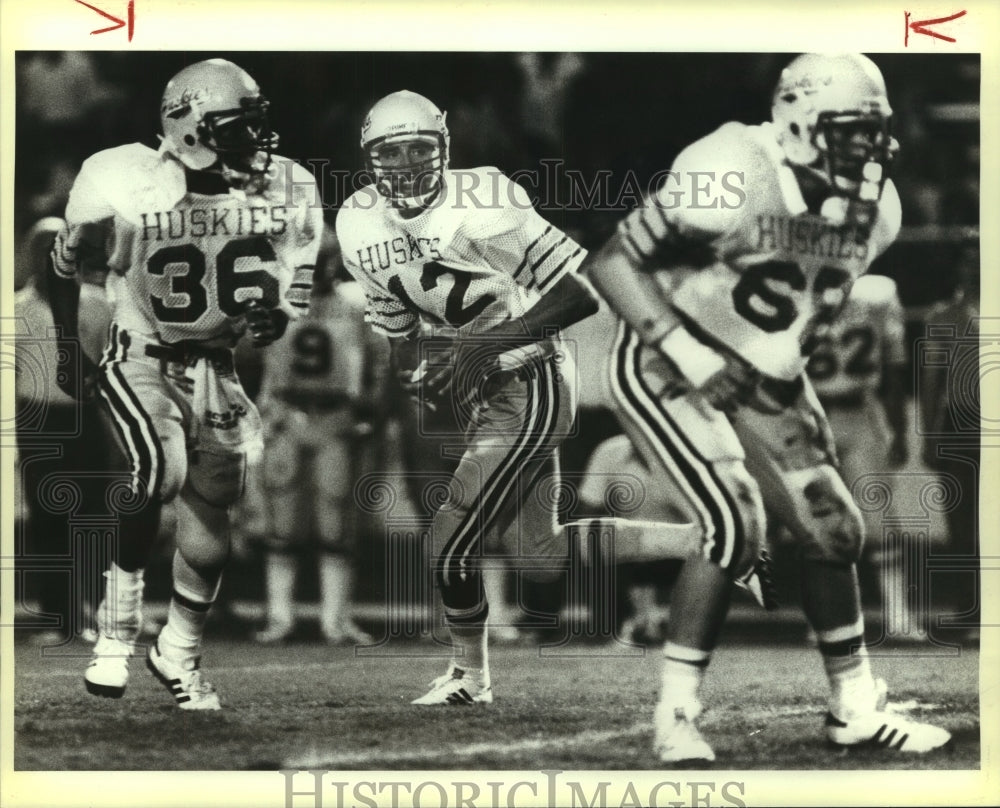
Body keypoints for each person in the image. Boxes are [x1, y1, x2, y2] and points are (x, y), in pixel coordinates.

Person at [582, 53, 951, 760]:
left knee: (834, 529)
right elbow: (615, 263)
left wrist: (788, 393)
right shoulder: (733, 167)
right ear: (798, 121)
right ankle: (676, 717)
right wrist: (692, 357)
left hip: (758, 371)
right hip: (664, 357)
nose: (870, 149)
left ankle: (854, 709)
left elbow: (793, 315)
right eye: (851, 131)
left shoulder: (880, 211)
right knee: (736, 521)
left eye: (875, 132)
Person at [336, 90, 696, 705]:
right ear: (368, 159)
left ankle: (470, 679)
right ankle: (710, 539)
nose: (407, 164)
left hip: (529, 379)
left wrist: (478, 349)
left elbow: (579, 295)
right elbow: (396, 321)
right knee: (540, 553)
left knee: (448, 538)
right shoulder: (357, 220)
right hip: (480, 393)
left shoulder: (484, 201)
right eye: (390, 153)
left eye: (421, 148)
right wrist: (415, 367)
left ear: (444, 149)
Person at [47, 58, 323, 710]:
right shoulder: (125, 175)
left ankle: (178, 650)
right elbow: (72, 266)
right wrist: (81, 251)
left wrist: (273, 314)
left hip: (216, 370)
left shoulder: (286, 187)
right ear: (189, 126)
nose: (253, 141)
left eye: (254, 125)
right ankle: (115, 633)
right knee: (159, 467)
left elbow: (281, 314)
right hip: (142, 354)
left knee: (211, 509)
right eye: (235, 126)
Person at [253, 246, 387, 646]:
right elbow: (247, 352)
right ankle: (280, 617)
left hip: (335, 415)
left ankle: (336, 620)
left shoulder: (356, 301)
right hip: (286, 411)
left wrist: (370, 411)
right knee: (283, 523)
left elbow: (379, 361)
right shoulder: (276, 297)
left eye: (325, 260)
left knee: (336, 521)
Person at [805, 274, 915, 637]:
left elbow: (895, 365)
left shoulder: (877, 292)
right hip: (809, 414)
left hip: (859, 412)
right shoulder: (794, 285)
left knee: (879, 516)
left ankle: (898, 616)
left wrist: (897, 427)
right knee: (817, 521)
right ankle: (826, 620)